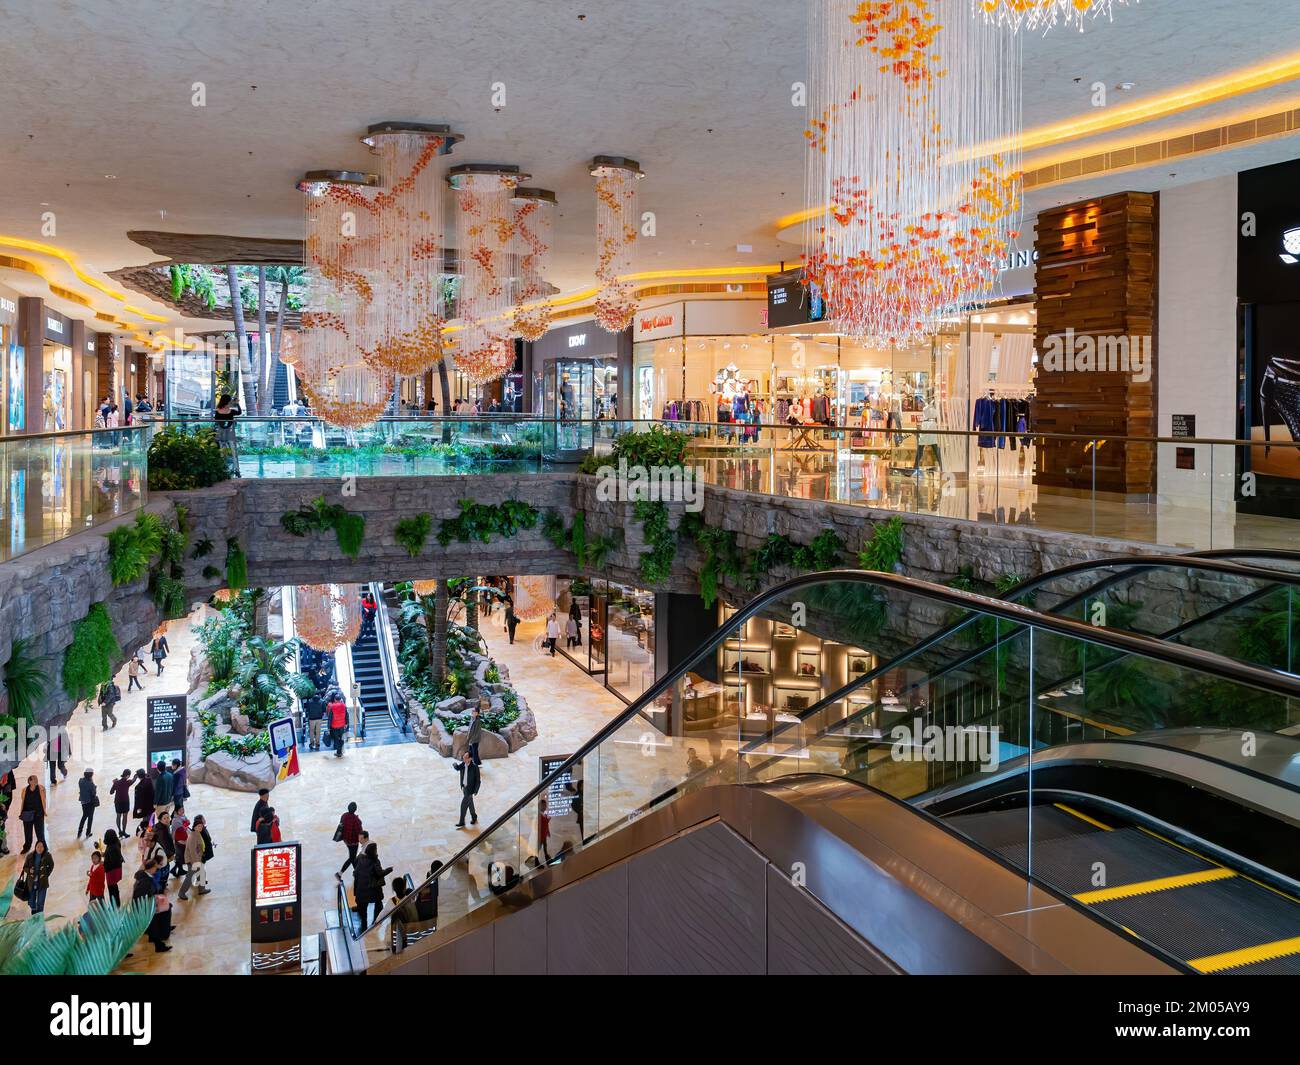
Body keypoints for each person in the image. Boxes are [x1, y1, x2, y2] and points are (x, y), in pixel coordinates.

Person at [351, 843, 391, 934]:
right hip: (373, 890)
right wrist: (389, 870)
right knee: (378, 904)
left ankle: (364, 927)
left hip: (361, 891)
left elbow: (355, 872)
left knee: (363, 910)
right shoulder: (375, 861)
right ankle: (376, 923)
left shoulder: (360, 859)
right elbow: (380, 873)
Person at [179, 815, 211, 899]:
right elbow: (192, 851)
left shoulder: (197, 834)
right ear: (194, 827)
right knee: (189, 877)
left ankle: (202, 889)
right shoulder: (193, 836)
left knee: (202, 873)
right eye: (198, 826)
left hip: (196, 859)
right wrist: (197, 862)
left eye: (201, 826)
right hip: (192, 860)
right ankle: (181, 893)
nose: (200, 828)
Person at [22, 841, 54, 914]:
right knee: (31, 900)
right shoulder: (30, 856)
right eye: (38, 846)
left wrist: (46, 874)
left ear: (44, 847)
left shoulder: (47, 856)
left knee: (40, 901)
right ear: (35, 847)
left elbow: (51, 865)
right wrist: (29, 870)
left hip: (42, 883)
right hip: (32, 883)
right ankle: (33, 910)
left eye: (42, 847)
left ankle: (39, 915)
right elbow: (25, 867)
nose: (40, 848)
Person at [19, 774, 47, 851]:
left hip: (38, 814)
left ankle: (43, 848)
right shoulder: (24, 790)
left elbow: (44, 799)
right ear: (30, 781)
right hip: (27, 814)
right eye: (34, 779)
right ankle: (27, 847)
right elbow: (23, 800)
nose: (36, 780)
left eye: (36, 779)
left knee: (40, 833)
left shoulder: (41, 788)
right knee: (27, 832)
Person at [454, 750, 481, 828]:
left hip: (470, 789)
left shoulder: (474, 767)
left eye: (466, 757)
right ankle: (474, 816)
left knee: (463, 805)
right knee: (470, 803)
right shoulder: (463, 764)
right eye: (463, 757)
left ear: (470, 759)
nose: (464, 759)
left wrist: (476, 790)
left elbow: (478, 780)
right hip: (464, 788)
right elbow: (458, 768)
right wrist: (455, 765)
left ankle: (462, 821)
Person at [102, 830, 125, 906]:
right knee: (114, 887)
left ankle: (114, 905)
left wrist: (103, 863)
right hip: (117, 869)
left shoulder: (112, 847)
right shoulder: (116, 842)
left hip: (112, 871)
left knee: (112, 889)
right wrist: (105, 854)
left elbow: (113, 862)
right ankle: (117, 903)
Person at [339, 802, 363, 873]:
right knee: (352, 858)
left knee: (352, 857)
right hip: (353, 842)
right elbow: (359, 832)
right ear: (355, 809)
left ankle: (357, 873)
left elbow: (341, 825)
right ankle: (340, 873)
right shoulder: (356, 820)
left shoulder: (344, 815)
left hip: (346, 840)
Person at [76, 768, 98, 840]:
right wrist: (94, 787)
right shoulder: (90, 784)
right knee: (90, 817)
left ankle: (79, 832)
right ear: (91, 775)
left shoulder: (80, 781)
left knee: (84, 816)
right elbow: (93, 793)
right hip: (90, 802)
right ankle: (88, 832)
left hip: (83, 801)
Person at [131, 768, 154, 836]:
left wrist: (139, 808)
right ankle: (151, 831)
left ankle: (147, 833)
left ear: (138, 776)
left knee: (146, 821)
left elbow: (139, 799)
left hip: (145, 807)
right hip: (151, 805)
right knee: (151, 820)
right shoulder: (149, 780)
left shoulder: (139, 786)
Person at [327, 690, 348, 758]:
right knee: (341, 738)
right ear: (340, 699)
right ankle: (340, 751)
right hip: (342, 725)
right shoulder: (344, 706)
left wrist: (328, 727)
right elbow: (347, 715)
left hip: (334, 726)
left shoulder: (332, 706)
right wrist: (347, 723)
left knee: (336, 739)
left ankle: (339, 752)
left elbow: (330, 717)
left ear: (335, 699)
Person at [536, 796, 552, 863]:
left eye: (546, 805)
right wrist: (547, 820)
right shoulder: (539, 814)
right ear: (540, 806)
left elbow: (545, 824)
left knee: (545, 846)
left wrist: (547, 832)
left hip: (543, 833)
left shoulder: (543, 814)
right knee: (539, 847)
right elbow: (540, 824)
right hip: (540, 834)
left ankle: (546, 857)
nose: (545, 807)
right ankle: (536, 861)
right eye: (544, 805)